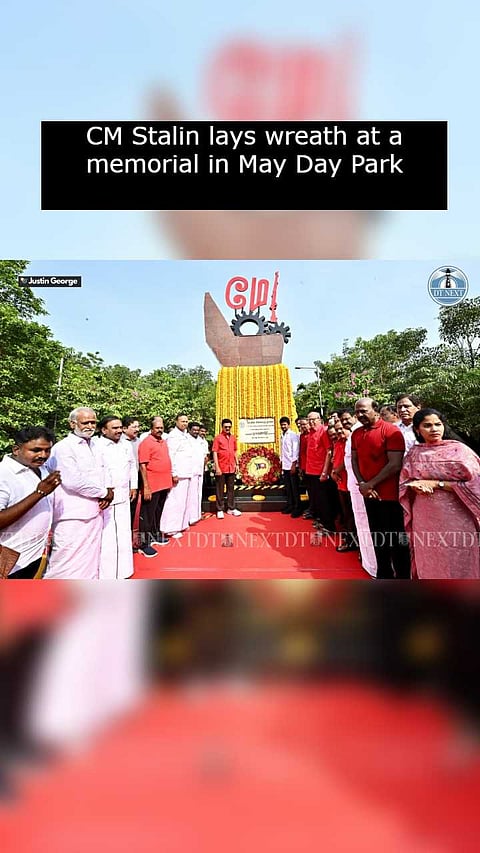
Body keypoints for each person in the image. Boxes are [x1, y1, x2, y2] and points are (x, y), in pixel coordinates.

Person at [399, 408, 480, 579]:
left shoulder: (459, 451)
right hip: (425, 516)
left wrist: (437, 484)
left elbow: (475, 483)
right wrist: (413, 485)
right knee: (429, 554)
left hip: (456, 516)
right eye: (427, 425)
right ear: (417, 430)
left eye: (438, 424)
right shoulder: (414, 453)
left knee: (458, 554)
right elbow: (404, 481)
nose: (434, 429)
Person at [44, 408, 113, 580]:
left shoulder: (96, 445)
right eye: (85, 423)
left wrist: (108, 490)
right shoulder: (63, 448)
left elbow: (105, 469)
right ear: (72, 424)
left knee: (90, 561)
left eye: (93, 422)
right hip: (72, 514)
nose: (90, 426)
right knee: (65, 562)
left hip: (95, 511)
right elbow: (72, 480)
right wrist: (104, 493)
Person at [351, 398, 410, 579]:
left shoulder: (392, 431)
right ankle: (383, 574)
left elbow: (394, 465)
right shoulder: (357, 434)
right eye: (357, 412)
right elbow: (355, 460)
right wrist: (362, 484)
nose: (360, 415)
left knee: (396, 541)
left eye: (364, 411)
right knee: (378, 539)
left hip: (390, 496)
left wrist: (371, 484)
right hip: (369, 495)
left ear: (375, 409)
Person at [0, 427, 61, 578]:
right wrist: (39, 493)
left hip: (37, 555)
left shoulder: (42, 470)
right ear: (16, 449)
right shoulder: (3, 475)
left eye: (47, 450)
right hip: (10, 561)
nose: (43, 455)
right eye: (36, 450)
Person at [96, 416, 137, 579]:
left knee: (123, 532)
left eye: (120, 427)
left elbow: (132, 465)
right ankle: (107, 573)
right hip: (105, 498)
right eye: (115, 428)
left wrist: (134, 485)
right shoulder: (95, 445)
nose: (119, 431)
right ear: (104, 430)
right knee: (107, 536)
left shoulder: (126, 444)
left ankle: (125, 569)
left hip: (124, 495)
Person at [339, 410, 377, 577]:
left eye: (348, 418)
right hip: (354, 486)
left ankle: (374, 563)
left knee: (369, 524)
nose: (345, 421)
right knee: (360, 522)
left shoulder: (362, 432)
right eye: (343, 419)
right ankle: (366, 558)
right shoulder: (355, 433)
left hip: (364, 486)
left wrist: (364, 483)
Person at [138, 417, 173, 557]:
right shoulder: (146, 443)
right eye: (157, 428)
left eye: (161, 427)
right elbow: (143, 465)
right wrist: (146, 486)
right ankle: (143, 544)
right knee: (146, 516)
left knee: (157, 513)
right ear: (151, 429)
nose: (160, 430)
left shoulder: (163, 441)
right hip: (152, 485)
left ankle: (155, 535)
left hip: (164, 483)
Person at [161, 414, 197, 538]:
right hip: (179, 474)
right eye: (182, 421)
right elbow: (171, 455)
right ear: (176, 422)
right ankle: (170, 528)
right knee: (175, 501)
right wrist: (174, 473)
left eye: (186, 421)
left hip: (187, 472)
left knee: (185, 501)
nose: (184, 423)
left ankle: (181, 524)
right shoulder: (173, 436)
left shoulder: (186, 435)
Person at [305, 411, 335, 533]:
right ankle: (322, 521)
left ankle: (329, 526)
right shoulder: (310, 433)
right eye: (309, 420)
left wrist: (324, 472)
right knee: (316, 499)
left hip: (320, 471)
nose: (311, 422)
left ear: (320, 419)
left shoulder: (324, 431)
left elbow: (329, 451)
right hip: (310, 470)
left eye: (314, 419)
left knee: (324, 500)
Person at [212, 419, 241, 519]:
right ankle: (219, 509)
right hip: (221, 467)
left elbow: (235, 451)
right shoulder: (218, 438)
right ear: (222, 427)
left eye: (229, 427)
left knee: (231, 489)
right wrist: (217, 467)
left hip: (231, 467)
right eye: (226, 427)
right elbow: (215, 452)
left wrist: (237, 464)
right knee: (220, 489)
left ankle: (231, 508)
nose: (227, 428)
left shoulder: (233, 438)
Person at [121, 417, 141, 544]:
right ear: (124, 429)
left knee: (132, 509)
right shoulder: (120, 442)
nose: (137, 429)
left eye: (138, 427)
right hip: (121, 481)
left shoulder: (139, 441)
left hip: (136, 479)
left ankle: (129, 536)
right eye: (134, 427)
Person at [279, 417, 302, 517]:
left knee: (294, 488)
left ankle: (297, 507)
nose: (283, 426)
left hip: (292, 466)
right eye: (282, 425)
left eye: (285, 424)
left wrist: (294, 465)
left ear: (288, 425)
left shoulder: (293, 435)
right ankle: (290, 505)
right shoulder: (282, 435)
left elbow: (295, 450)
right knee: (288, 488)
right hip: (285, 465)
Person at [188, 421, 207, 525]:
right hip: (190, 472)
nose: (196, 432)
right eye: (194, 430)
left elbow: (204, 455)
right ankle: (190, 517)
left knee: (198, 494)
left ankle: (197, 515)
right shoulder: (186, 440)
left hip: (200, 471)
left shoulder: (201, 441)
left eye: (197, 430)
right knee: (191, 495)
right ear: (189, 430)